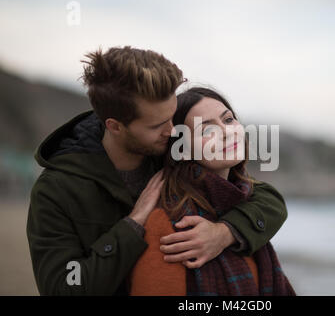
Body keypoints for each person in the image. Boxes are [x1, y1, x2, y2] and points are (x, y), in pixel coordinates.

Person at [26, 46, 288, 295]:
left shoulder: (169, 150)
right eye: (158, 125)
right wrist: (133, 224)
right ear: (115, 126)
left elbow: (262, 197)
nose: (174, 131)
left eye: (172, 116)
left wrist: (224, 233)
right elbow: (63, 289)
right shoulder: (56, 190)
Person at [130, 87, 295, 296]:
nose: (226, 133)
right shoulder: (168, 221)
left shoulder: (243, 198)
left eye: (227, 120)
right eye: (206, 131)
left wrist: (225, 233)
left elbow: (272, 200)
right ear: (182, 148)